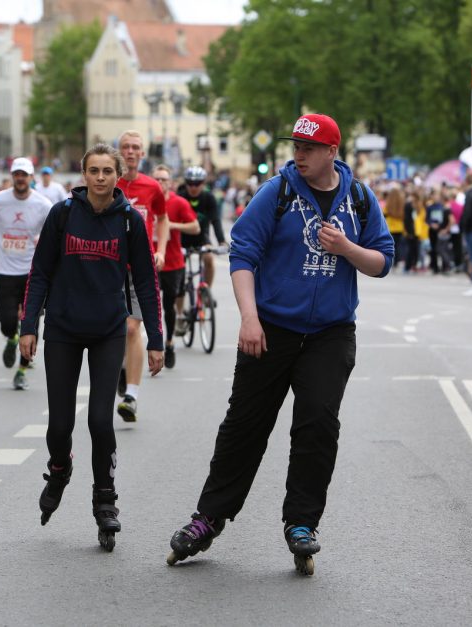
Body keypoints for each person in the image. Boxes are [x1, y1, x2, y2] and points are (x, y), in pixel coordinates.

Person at [165, 114, 394, 572]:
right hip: (271, 329)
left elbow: (381, 261)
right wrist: (249, 318)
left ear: (333, 151)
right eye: (296, 147)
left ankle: (301, 523)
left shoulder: (359, 199)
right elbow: (243, 253)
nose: (299, 155)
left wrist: (347, 248)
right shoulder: (278, 192)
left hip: (330, 333)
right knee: (244, 426)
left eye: (309, 148)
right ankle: (209, 518)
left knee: (318, 424)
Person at [20, 143, 164, 549]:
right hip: (63, 330)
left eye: (107, 171)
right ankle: (60, 469)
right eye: (93, 171)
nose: (100, 177)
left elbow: (146, 284)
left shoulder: (130, 222)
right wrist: (29, 326)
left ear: (118, 175)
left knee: (100, 423)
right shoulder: (62, 215)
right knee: (60, 425)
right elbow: (40, 273)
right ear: (83, 175)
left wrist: (156, 337)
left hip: (107, 331)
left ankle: (105, 500)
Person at [0, 157, 52, 390]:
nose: (20, 178)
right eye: (16, 174)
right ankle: (11, 337)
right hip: (6, 271)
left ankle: (21, 370)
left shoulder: (43, 205)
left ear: (31, 178)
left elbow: (56, 235)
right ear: (12, 176)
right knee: (8, 322)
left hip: (33, 273)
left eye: (24, 175)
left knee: (31, 323)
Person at [114, 131, 168, 421]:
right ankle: (122, 367)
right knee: (115, 328)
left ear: (143, 154)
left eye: (136, 148)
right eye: (126, 147)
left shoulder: (152, 187)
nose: (131, 152)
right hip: (110, 267)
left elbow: (162, 219)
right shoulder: (108, 182)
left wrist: (160, 249)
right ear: (118, 151)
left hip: (141, 267)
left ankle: (131, 396)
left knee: (134, 328)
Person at [152, 165, 200, 369]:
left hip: (173, 263)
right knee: (151, 308)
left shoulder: (179, 202)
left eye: (164, 179)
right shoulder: (146, 202)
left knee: (168, 306)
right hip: (148, 262)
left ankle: (169, 342)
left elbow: (195, 227)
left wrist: (172, 225)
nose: (160, 183)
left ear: (170, 183)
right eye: (157, 179)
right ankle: (154, 347)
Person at [175, 165, 227, 336]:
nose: (193, 187)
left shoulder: (208, 198)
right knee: (180, 277)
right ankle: (180, 314)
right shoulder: (180, 197)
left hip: (201, 238)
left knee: (209, 259)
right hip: (181, 240)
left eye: (197, 183)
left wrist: (221, 241)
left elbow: (216, 221)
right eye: (190, 183)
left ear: (203, 183)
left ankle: (205, 292)